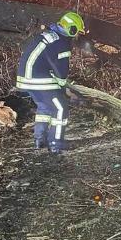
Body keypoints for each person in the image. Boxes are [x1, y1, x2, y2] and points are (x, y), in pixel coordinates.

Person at [16, 11, 86, 153]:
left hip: (26, 77)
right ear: (71, 30)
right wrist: (65, 87)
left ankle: (39, 140)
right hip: (38, 79)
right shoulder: (61, 42)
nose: (78, 35)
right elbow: (61, 70)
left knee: (45, 107)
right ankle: (56, 143)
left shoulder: (50, 36)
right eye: (77, 32)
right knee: (60, 108)